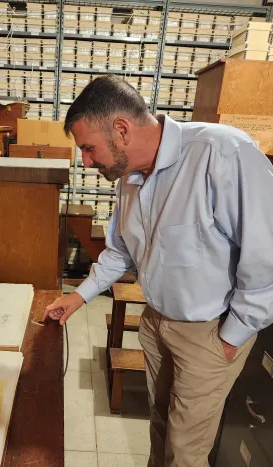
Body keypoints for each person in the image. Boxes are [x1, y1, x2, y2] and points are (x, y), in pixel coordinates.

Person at [42, 75, 273, 467]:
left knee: (185, 453)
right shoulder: (129, 176)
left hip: (209, 333)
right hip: (157, 322)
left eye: (88, 148)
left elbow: (265, 254)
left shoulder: (222, 154)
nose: (86, 160)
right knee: (161, 428)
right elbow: (120, 251)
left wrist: (233, 335)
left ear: (121, 130)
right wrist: (78, 295)